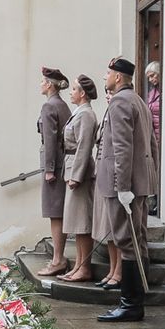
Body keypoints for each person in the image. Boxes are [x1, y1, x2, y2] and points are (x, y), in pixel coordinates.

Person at [95, 56, 158, 323]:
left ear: (118, 77)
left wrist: (123, 187)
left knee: (126, 240)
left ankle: (130, 303)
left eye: (108, 73)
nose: (105, 78)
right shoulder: (138, 100)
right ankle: (136, 299)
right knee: (137, 239)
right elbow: (152, 143)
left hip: (124, 184)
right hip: (139, 182)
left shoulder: (121, 101)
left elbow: (122, 147)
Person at [59, 75, 100, 284]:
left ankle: (84, 267)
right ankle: (78, 265)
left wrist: (76, 175)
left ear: (82, 93)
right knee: (76, 222)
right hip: (72, 166)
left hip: (79, 171)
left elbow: (84, 146)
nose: (71, 92)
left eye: (74, 89)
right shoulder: (80, 112)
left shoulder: (86, 114)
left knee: (82, 222)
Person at [36, 67, 72, 276]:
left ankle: (58, 259)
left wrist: (49, 169)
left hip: (55, 165)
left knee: (55, 214)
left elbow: (50, 140)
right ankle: (58, 257)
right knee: (58, 213)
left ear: (50, 84)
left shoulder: (49, 106)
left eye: (43, 81)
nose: (41, 84)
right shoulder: (62, 105)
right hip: (62, 163)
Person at [144, 62, 162, 217]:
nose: (151, 79)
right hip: (153, 136)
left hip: (160, 135)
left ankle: (156, 202)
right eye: (149, 77)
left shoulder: (163, 91)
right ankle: (153, 201)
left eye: (152, 75)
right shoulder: (152, 92)